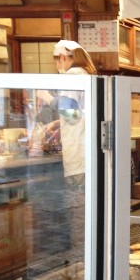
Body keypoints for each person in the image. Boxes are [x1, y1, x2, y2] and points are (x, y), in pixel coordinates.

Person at [37, 39, 97, 186]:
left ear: (62, 57)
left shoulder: (72, 74)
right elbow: (79, 114)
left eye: (56, 61)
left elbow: (71, 115)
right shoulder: (85, 74)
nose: (57, 66)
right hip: (87, 153)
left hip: (78, 155)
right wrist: (58, 123)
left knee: (79, 203)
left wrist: (46, 97)